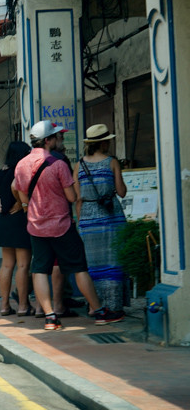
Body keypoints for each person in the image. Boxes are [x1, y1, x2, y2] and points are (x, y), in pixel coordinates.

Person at [14, 120, 125, 330]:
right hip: (61, 225)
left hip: (36, 227)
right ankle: (99, 312)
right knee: (79, 268)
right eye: (56, 136)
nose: (59, 140)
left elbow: (21, 193)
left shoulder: (21, 165)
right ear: (48, 140)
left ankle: (50, 318)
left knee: (40, 270)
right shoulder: (58, 164)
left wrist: (30, 206)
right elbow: (72, 197)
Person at [74, 124, 128, 314]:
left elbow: (77, 198)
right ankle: (113, 305)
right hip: (111, 217)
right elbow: (121, 192)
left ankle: (93, 306)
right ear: (103, 143)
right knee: (113, 261)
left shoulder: (79, 165)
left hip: (88, 220)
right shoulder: (112, 162)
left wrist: (81, 223)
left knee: (92, 263)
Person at [0, 141, 34, 316]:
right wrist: (20, 202)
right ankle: (23, 306)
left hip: (3, 220)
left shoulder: (2, 172)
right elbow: (17, 186)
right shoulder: (21, 171)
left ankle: (4, 306)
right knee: (23, 265)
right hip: (19, 219)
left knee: (7, 265)